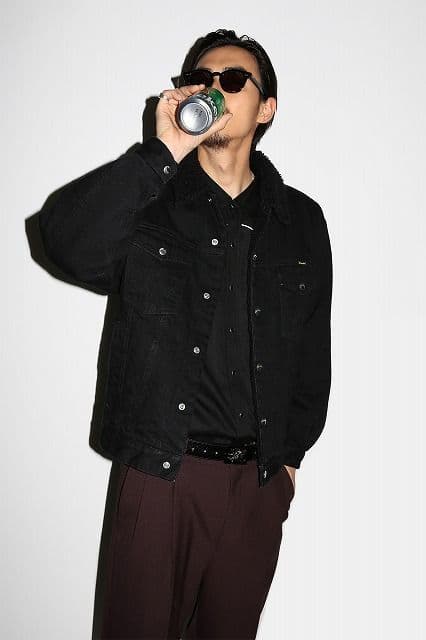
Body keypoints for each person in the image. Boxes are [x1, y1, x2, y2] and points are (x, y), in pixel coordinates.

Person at [39, 28, 333, 640]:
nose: (214, 91)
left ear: (266, 108)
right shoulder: (151, 200)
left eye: (233, 80)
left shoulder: (301, 221)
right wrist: (162, 152)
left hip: (257, 485)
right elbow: (62, 242)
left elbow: (312, 352)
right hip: (162, 475)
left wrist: (289, 465)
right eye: (201, 80)